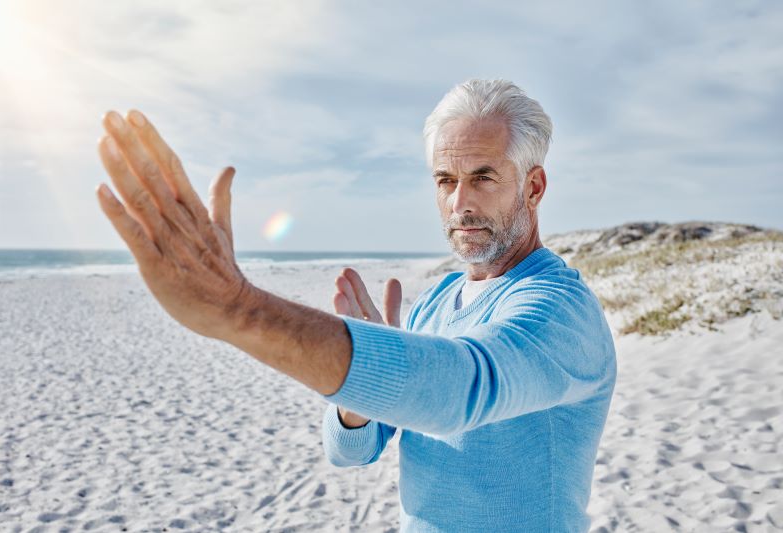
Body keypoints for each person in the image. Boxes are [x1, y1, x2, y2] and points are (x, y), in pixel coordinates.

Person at [95, 78, 616, 532]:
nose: (461, 203)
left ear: (533, 186)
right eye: (446, 180)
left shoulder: (560, 309)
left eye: (483, 177)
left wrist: (241, 310)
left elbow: (461, 390)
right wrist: (362, 390)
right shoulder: (437, 300)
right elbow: (350, 451)